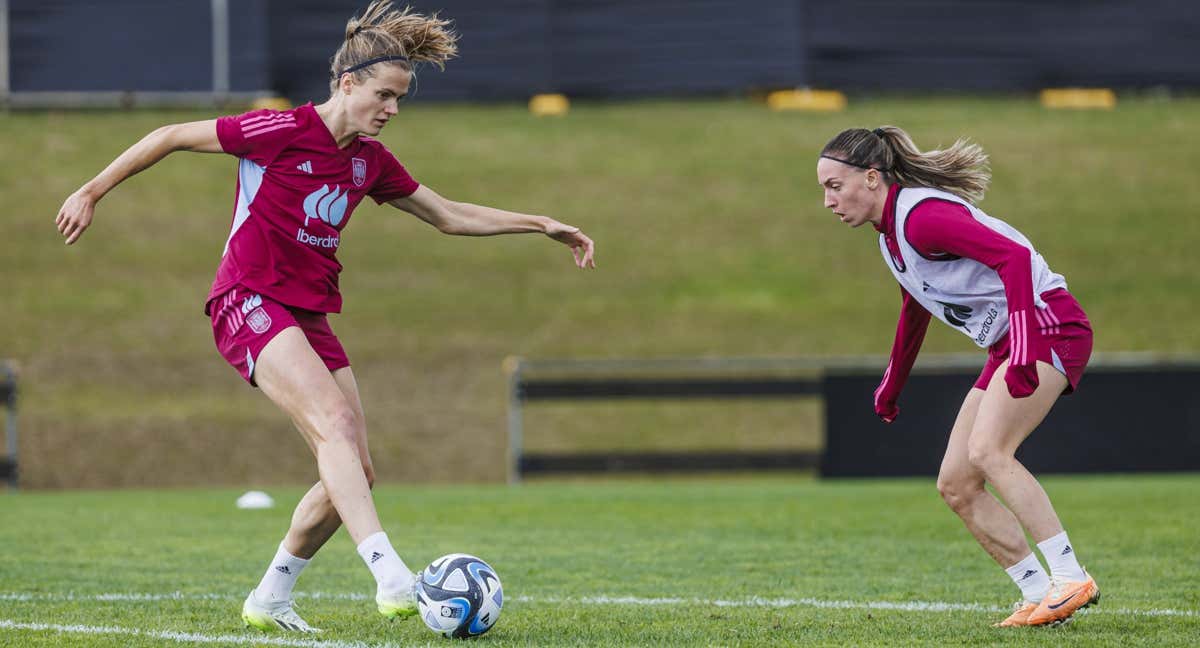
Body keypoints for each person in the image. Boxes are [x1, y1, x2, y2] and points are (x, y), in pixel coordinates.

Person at [54, 1, 595, 634]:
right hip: (247, 298)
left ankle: (270, 598)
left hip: (309, 315)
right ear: (348, 83)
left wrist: (539, 224)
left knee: (355, 473)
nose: (392, 110)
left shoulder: (369, 160)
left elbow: (448, 215)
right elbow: (169, 136)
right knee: (335, 423)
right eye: (385, 95)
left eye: (400, 99)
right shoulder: (278, 129)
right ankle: (393, 576)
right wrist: (91, 190)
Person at [816, 126, 1099, 628]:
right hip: (1009, 341)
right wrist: (892, 383)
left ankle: (1071, 576)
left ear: (872, 178)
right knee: (956, 484)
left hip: (1047, 324)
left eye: (835, 186)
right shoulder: (892, 239)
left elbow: (1013, 258)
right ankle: (1038, 593)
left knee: (989, 452)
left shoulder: (922, 217)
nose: (828, 201)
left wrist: (1026, 351)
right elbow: (915, 308)